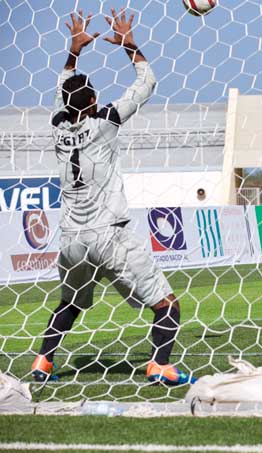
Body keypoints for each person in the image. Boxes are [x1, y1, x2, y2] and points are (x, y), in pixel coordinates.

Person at [31, 9, 195, 385]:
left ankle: (43, 362)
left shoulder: (57, 127)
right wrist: (130, 47)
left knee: (70, 304)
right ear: (91, 102)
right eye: (93, 96)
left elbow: (63, 90)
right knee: (167, 304)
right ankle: (160, 366)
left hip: (72, 240)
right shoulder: (105, 121)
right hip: (110, 235)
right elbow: (147, 84)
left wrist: (73, 52)